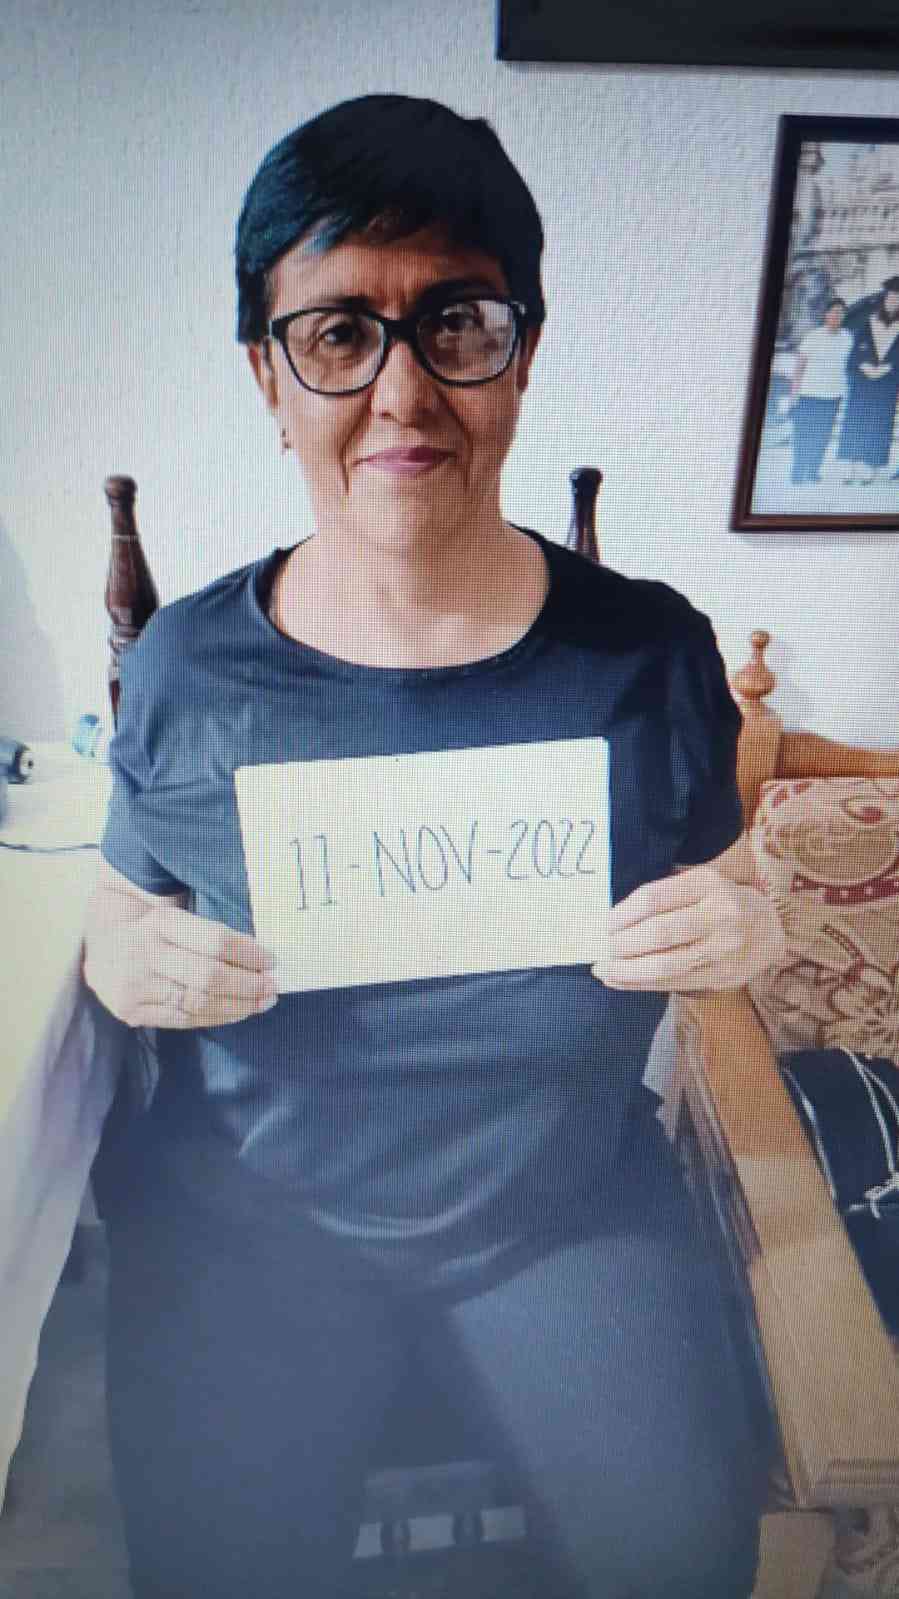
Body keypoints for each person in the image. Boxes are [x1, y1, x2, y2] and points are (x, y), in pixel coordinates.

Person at [83, 94, 785, 1599]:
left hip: (563, 1209)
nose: (401, 393)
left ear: (519, 352)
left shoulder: (647, 650)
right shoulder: (189, 666)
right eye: (339, 334)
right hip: (251, 1222)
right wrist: (124, 962)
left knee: (682, 1558)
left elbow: (726, 888)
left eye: (454, 321)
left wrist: (748, 923)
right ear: (268, 376)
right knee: (211, 1569)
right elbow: (114, 911)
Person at [836, 275, 899, 484]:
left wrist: (889, 368)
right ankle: (850, 467)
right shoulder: (867, 322)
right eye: (891, 297)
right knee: (856, 421)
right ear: (884, 298)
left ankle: (870, 468)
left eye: (898, 299)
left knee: (880, 424)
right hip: (862, 380)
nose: (894, 301)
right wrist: (865, 366)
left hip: (887, 383)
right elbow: (855, 352)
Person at [788, 297, 852, 484]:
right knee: (803, 435)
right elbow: (799, 367)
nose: (837, 316)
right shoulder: (813, 336)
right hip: (809, 394)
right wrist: (793, 395)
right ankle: (798, 472)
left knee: (822, 437)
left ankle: (813, 470)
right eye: (834, 312)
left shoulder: (847, 338)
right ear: (826, 314)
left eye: (841, 313)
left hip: (832, 396)